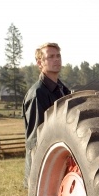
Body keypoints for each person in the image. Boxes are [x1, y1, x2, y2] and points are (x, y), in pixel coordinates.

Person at [22, 42, 70, 188]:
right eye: (50, 57)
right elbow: (36, 139)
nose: (56, 60)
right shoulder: (37, 94)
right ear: (39, 63)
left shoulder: (63, 90)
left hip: (59, 161)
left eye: (58, 56)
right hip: (44, 168)